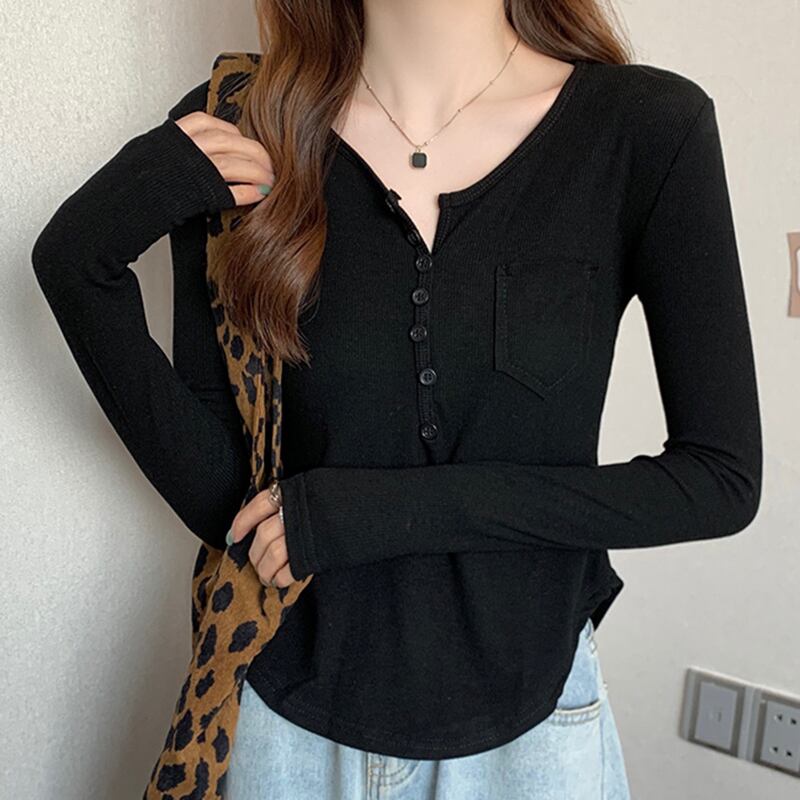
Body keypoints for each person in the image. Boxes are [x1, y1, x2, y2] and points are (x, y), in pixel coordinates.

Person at [31, 0, 762, 797]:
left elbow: (719, 481)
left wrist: (378, 513)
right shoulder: (243, 125)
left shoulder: (647, 130)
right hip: (289, 737)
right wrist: (78, 259)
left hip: (533, 737)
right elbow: (235, 509)